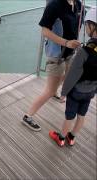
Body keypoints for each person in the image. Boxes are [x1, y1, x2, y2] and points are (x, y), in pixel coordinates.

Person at [22, 0, 83, 131]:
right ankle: (28, 116)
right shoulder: (54, 5)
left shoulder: (78, 4)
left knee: (68, 75)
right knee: (49, 90)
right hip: (57, 55)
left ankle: (55, 90)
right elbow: (44, 31)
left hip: (70, 52)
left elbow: (78, 25)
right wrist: (66, 42)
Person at [49, 8, 97, 147]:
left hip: (76, 92)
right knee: (82, 115)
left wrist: (63, 93)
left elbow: (72, 75)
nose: (86, 27)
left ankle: (61, 138)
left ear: (93, 26)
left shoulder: (83, 51)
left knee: (69, 116)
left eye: (87, 24)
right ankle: (72, 137)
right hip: (91, 91)